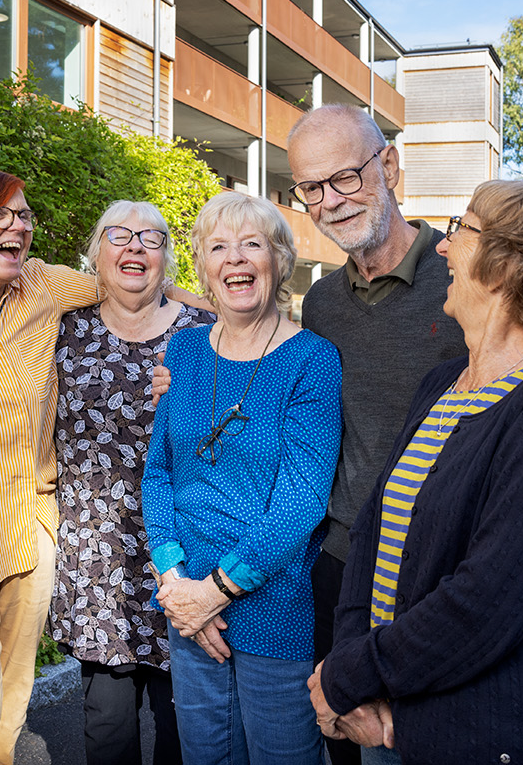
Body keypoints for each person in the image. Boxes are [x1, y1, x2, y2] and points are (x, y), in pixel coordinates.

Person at [285, 104, 523, 764]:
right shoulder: (327, 307)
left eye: (345, 177)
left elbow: (489, 596)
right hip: (351, 577)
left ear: (388, 166)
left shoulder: (485, 313)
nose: (329, 200)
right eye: (311, 187)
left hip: (448, 645)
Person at [0, 169, 207, 765]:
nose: (16, 226)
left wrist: (222, 307)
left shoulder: (44, 289)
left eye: (23, 216)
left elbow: (131, 280)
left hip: (32, 535)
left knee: (7, 715)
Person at [142, 192, 342, 765]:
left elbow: (299, 505)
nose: (236, 259)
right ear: (204, 269)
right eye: (219, 248)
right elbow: (158, 473)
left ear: (278, 260)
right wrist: (175, 580)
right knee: (204, 756)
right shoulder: (182, 349)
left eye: (252, 245)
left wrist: (213, 593)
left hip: (271, 605)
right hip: (185, 605)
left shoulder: (313, 360)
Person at [52, 200, 215, 765]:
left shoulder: (204, 335)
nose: (135, 247)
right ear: (96, 252)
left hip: (185, 551)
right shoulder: (63, 331)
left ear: (166, 258)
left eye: (152, 237)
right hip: (98, 558)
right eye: (119, 235)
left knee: (185, 724)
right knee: (108, 727)